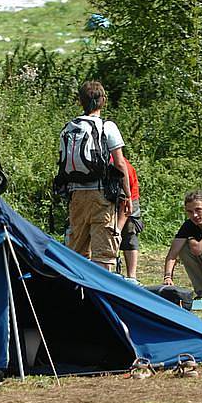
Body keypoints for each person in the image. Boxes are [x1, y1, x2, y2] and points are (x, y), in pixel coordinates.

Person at [65, 81, 132, 271]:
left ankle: (77, 294)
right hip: (101, 194)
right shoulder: (107, 126)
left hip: (76, 194)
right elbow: (120, 163)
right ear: (103, 101)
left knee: (76, 250)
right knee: (104, 251)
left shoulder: (70, 127)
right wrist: (127, 195)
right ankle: (100, 294)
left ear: (80, 102)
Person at [116, 157, 143, 283]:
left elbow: (125, 206)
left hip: (130, 198)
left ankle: (132, 277)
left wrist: (117, 230)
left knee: (129, 234)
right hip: (109, 198)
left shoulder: (120, 166)